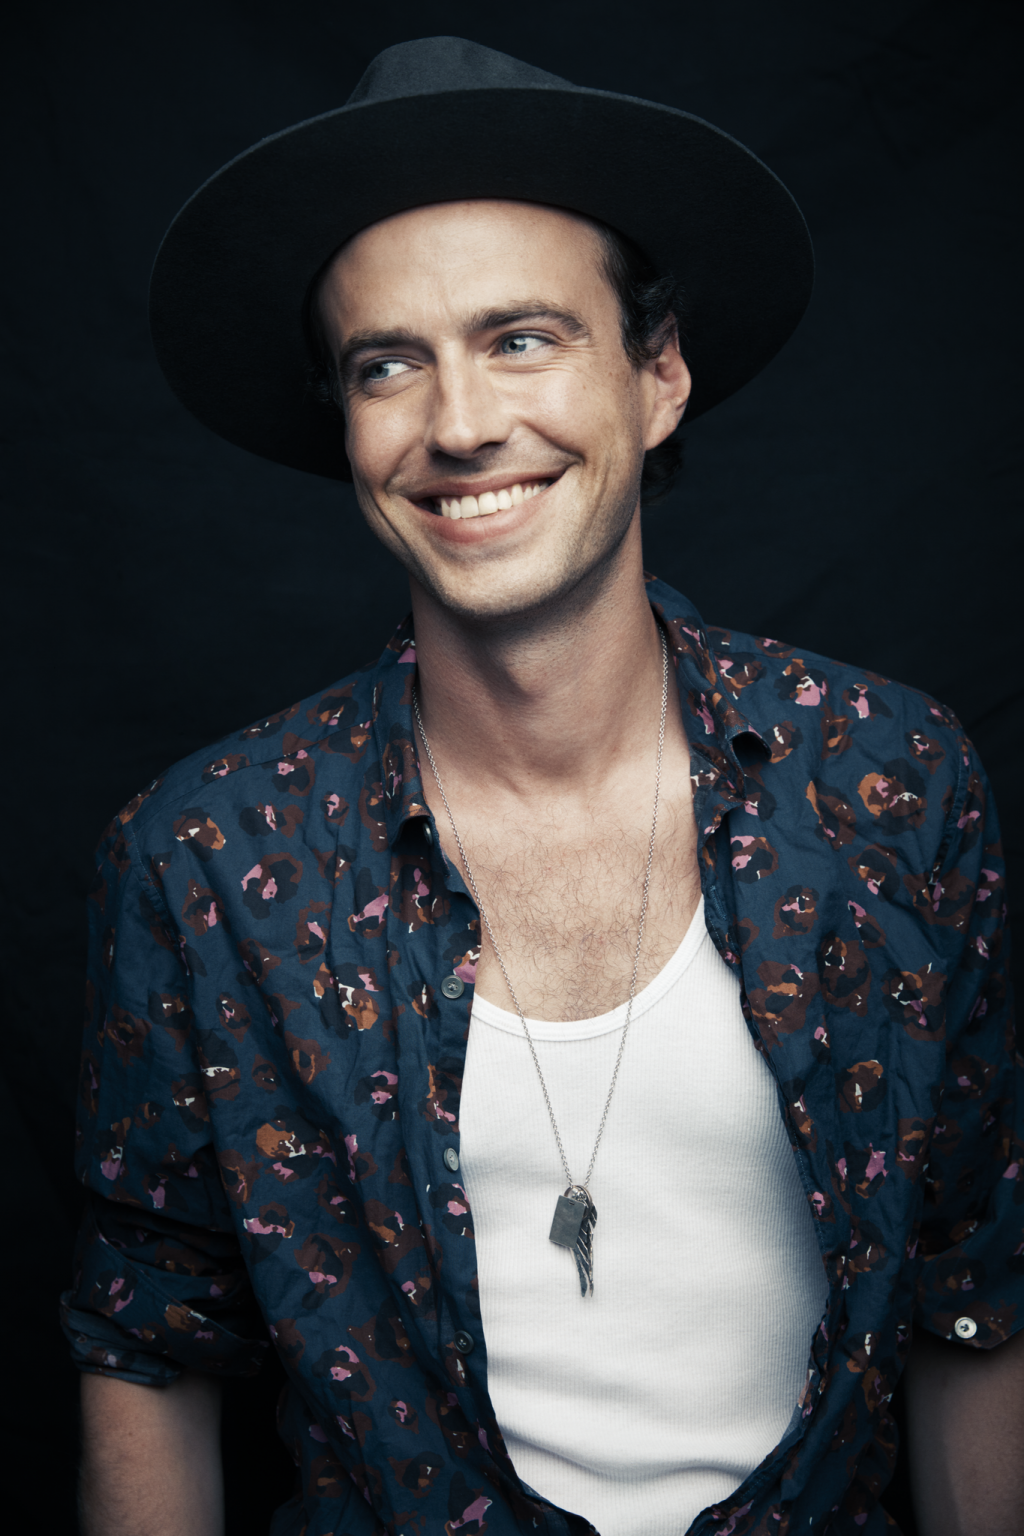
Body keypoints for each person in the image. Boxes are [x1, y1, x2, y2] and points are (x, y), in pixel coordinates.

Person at [63, 35, 1023, 1536]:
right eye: (389, 364)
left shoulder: (884, 778)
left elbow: (976, 1293)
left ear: (659, 376)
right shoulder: (206, 855)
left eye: (521, 338)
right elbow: (148, 1348)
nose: (458, 425)